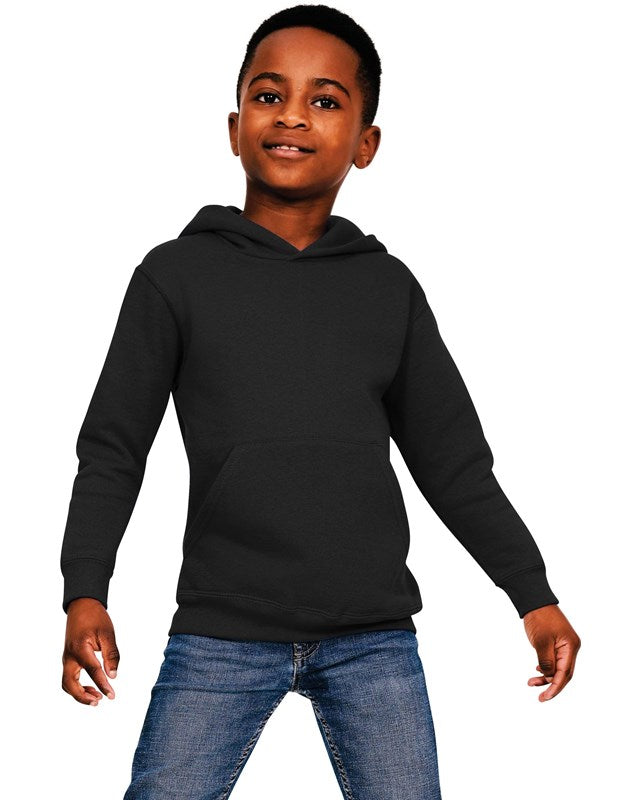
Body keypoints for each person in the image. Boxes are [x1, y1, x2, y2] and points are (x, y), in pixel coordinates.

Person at [60, 5, 581, 798]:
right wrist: (85, 590)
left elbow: (455, 465)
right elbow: (112, 450)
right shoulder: (175, 277)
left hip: (373, 639)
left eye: (325, 100)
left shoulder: (388, 288)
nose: (293, 115)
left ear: (365, 144)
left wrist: (533, 595)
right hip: (222, 633)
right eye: (269, 96)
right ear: (234, 127)